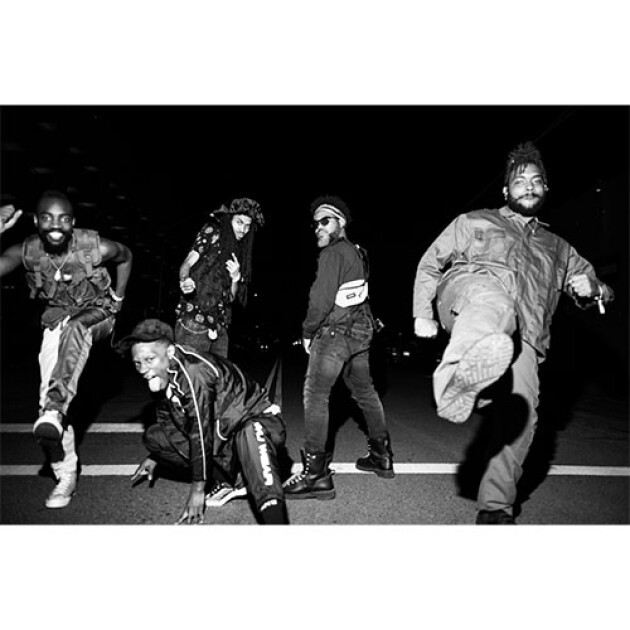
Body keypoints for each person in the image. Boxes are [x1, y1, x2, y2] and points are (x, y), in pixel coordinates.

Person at [412, 141, 614, 524]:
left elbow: (598, 287)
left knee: (522, 418)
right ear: (506, 190)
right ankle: (456, 374)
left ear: (546, 189)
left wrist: (596, 289)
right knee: (495, 303)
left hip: (526, 336)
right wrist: (422, 313)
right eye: (520, 182)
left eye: (536, 181)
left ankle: (495, 508)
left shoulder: (559, 249)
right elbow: (430, 262)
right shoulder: (474, 221)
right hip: (469, 296)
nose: (529, 187)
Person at [0, 191, 132, 508]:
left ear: (73, 223)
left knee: (75, 331)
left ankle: (56, 407)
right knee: (45, 405)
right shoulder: (26, 251)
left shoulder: (95, 247)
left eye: (63, 219)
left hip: (98, 315)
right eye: (47, 218)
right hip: (57, 318)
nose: (56, 225)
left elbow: (126, 256)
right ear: (36, 221)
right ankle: (65, 473)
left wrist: (118, 298)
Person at [118, 318, 289, 525]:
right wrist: (156, 456)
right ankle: (233, 480)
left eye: (149, 359)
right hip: (224, 431)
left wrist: (198, 488)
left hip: (259, 423)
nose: (143, 369)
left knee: (250, 431)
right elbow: (169, 422)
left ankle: (274, 518)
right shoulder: (162, 375)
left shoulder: (193, 371)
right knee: (155, 438)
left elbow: (200, 430)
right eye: (137, 363)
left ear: (170, 352)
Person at [283, 195, 394, 500]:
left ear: (340, 222)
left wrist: (308, 331)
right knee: (366, 392)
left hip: (335, 333)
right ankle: (382, 456)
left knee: (316, 395)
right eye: (315, 223)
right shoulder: (358, 252)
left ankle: (315, 475)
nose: (318, 227)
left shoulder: (333, 253)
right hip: (360, 332)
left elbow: (320, 299)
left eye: (325, 221)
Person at [175, 197, 264, 357]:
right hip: (195, 322)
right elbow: (187, 262)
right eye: (239, 222)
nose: (243, 230)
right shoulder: (213, 232)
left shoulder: (238, 253)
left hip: (220, 329)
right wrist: (184, 279)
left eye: (247, 226)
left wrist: (236, 278)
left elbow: (231, 298)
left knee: (220, 373)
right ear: (229, 220)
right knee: (191, 372)